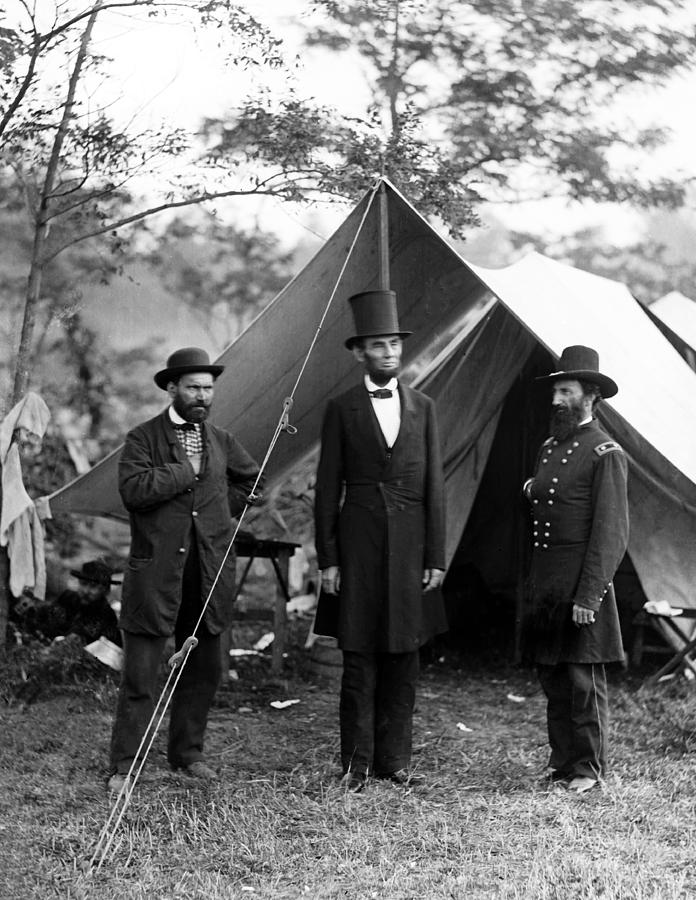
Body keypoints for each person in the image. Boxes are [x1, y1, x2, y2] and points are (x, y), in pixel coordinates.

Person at [108, 347, 260, 792]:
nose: (202, 396)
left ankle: (187, 755)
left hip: (208, 572)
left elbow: (252, 480)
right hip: (155, 574)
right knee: (142, 672)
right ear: (171, 388)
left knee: (203, 668)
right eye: (193, 387)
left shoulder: (222, 439)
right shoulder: (142, 438)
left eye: (208, 388)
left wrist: (217, 511)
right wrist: (184, 472)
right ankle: (125, 765)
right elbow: (133, 490)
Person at [314, 290, 447, 793]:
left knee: (404, 659)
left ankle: (396, 761)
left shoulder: (425, 407)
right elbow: (327, 488)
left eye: (394, 343)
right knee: (359, 659)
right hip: (358, 547)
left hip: (412, 549)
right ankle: (356, 764)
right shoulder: (342, 409)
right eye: (378, 345)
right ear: (359, 353)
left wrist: (435, 555)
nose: (390, 352)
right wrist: (329, 558)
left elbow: (435, 485)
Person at [523, 345, 628, 794]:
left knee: (583, 679)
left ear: (591, 397)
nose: (555, 400)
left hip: (581, 580)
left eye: (565, 391)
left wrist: (589, 595)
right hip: (546, 581)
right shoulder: (549, 447)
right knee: (552, 675)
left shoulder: (606, 453)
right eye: (555, 391)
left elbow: (611, 533)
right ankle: (562, 761)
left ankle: (589, 768)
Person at [34, 558, 121, 646]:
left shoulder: (106, 615)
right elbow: (46, 618)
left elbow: (82, 638)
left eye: (93, 586)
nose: (86, 591)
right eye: (83, 584)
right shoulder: (67, 598)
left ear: (105, 590)